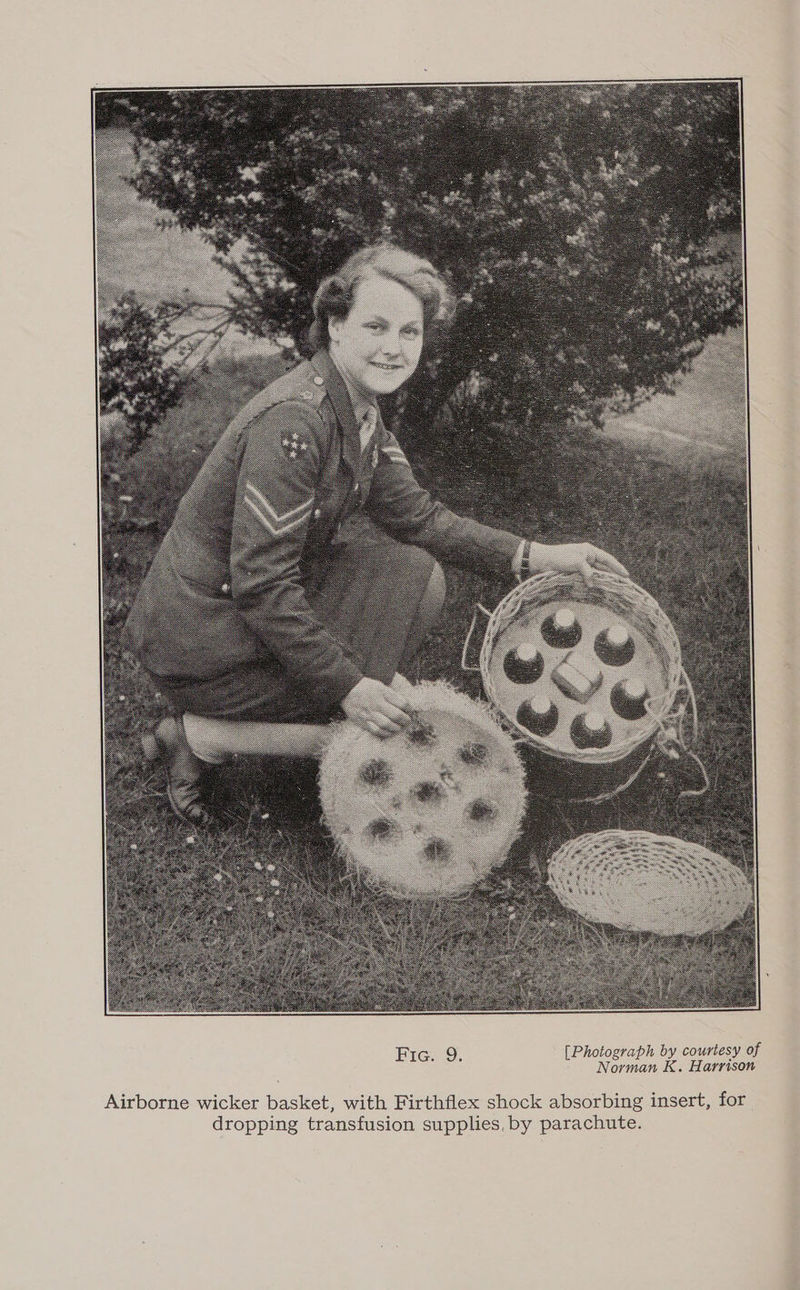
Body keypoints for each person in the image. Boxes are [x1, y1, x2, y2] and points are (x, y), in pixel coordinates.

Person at [124, 243, 627, 826]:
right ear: (335, 325)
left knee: (416, 576)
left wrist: (536, 556)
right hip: (198, 636)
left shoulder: (356, 405)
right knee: (383, 720)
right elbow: (261, 583)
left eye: (409, 332)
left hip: (238, 606)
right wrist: (348, 686)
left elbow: (421, 518)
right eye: (376, 326)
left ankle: (285, 713)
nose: (394, 347)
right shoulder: (295, 423)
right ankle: (199, 735)